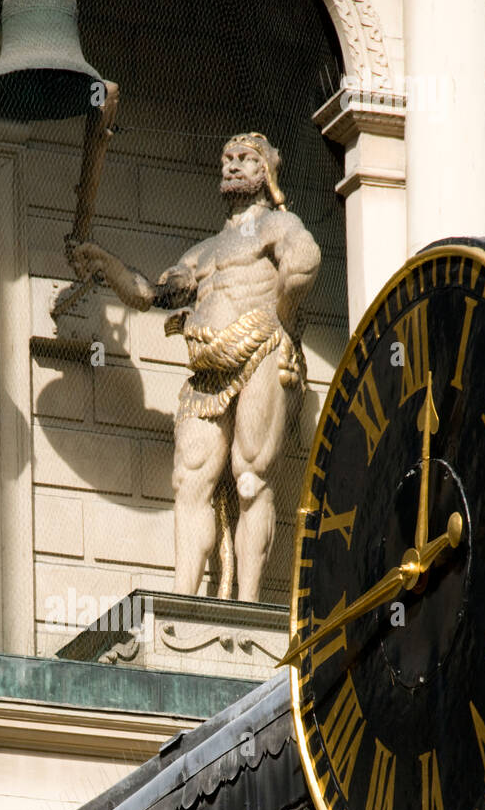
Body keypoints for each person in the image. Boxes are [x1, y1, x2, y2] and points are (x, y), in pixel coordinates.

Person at [71, 133, 321, 601]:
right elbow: (149, 295)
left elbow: (306, 260)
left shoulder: (278, 226)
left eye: (244, 160)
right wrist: (105, 263)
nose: (231, 167)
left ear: (266, 171)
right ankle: (184, 598)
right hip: (206, 372)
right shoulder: (202, 253)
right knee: (189, 481)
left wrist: (282, 310)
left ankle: (247, 605)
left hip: (261, 349)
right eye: (226, 160)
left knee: (250, 478)